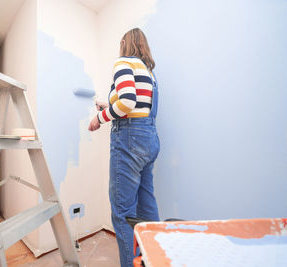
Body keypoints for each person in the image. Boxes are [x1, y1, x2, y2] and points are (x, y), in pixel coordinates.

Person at [88, 28, 160, 267]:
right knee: (147, 205)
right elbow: (135, 102)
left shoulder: (123, 63)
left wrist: (99, 118)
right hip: (149, 139)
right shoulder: (149, 74)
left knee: (122, 211)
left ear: (124, 44)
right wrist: (106, 104)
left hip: (129, 140)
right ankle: (156, 260)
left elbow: (127, 102)